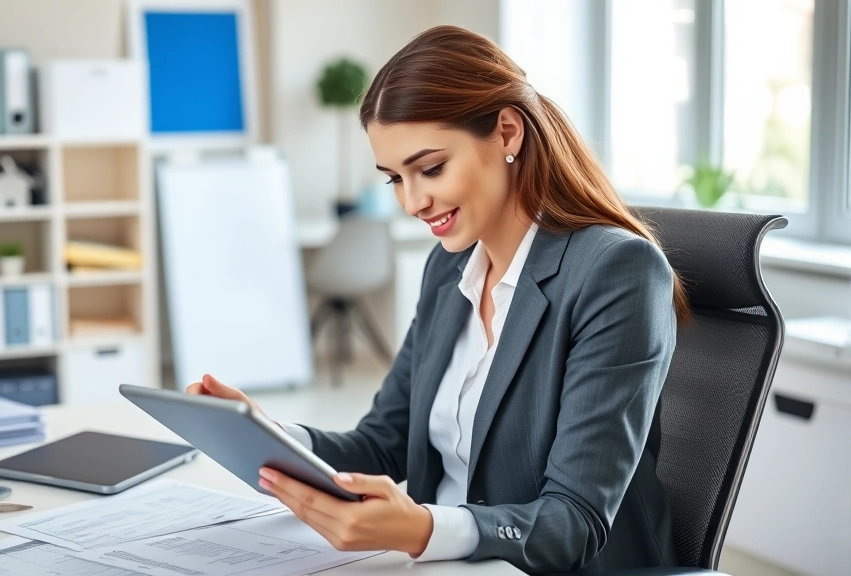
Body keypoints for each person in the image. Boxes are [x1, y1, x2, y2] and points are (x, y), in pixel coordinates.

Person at [188, 25, 688, 575]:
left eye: (430, 169)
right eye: (394, 180)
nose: (413, 202)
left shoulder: (617, 273)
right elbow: (384, 443)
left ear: (506, 133)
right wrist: (271, 437)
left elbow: (574, 522)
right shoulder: (449, 266)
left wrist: (424, 528)